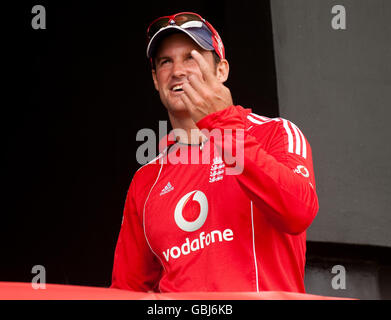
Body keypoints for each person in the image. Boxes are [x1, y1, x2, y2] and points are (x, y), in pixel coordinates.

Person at [110, 12, 319, 293]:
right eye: (165, 62)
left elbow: (299, 211)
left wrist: (223, 125)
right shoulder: (146, 178)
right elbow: (126, 290)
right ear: (155, 80)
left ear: (222, 71)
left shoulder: (276, 133)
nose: (178, 71)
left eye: (191, 57)